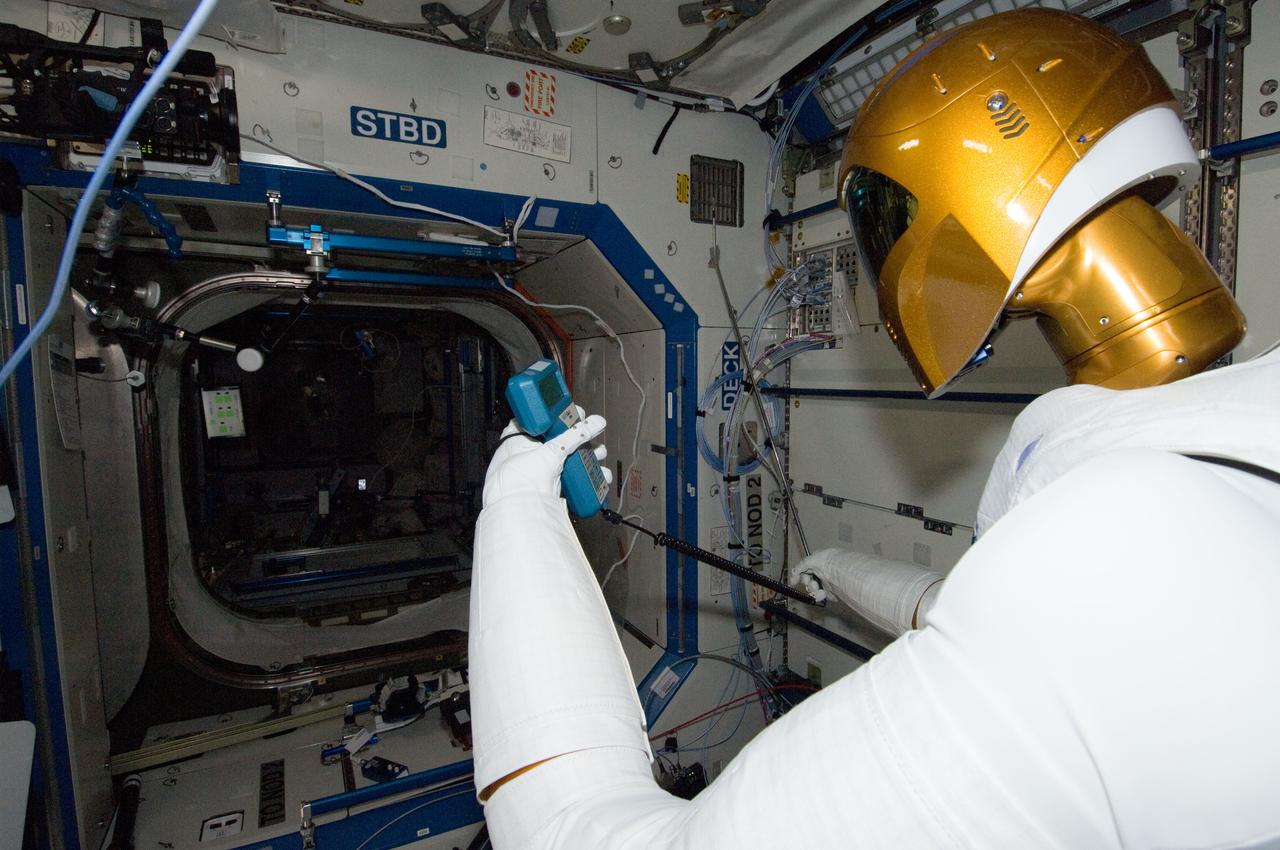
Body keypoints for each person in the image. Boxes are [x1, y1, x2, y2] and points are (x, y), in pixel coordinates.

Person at [467, 9, 1280, 848]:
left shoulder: (1112, 558)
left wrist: (517, 499)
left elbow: (566, 830)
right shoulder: (1185, 504)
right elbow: (979, 620)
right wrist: (837, 570)